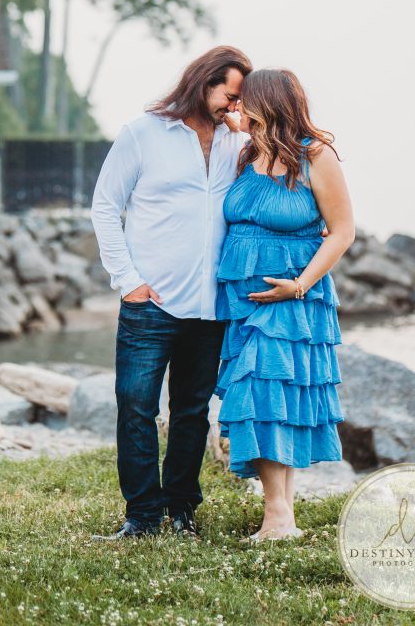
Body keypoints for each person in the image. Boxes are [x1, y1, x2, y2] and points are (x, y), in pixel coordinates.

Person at [90, 45, 253, 540]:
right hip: (151, 303)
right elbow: (104, 206)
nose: (234, 105)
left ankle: (181, 510)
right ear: (203, 83)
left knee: (191, 411)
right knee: (136, 405)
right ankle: (141, 516)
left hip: (211, 305)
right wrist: (128, 281)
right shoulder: (143, 133)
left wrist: (244, 132)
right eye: (229, 95)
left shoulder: (237, 142)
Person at [214, 68, 355, 543]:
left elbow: (342, 232)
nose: (236, 108)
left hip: (292, 298)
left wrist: (297, 285)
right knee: (275, 400)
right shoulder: (248, 153)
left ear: (267, 102)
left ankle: (276, 516)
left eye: (243, 100)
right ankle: (283, 516)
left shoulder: (314, 155)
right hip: (241, 301)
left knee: (266, 394)